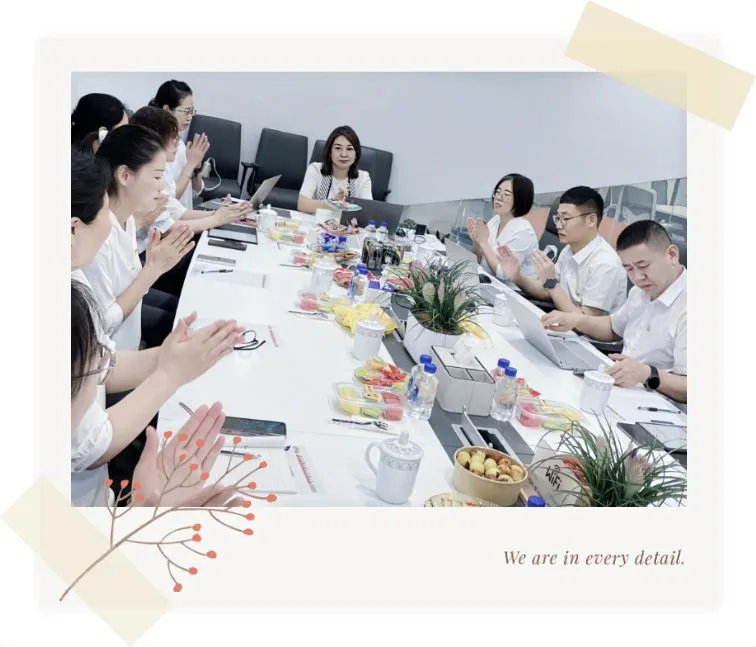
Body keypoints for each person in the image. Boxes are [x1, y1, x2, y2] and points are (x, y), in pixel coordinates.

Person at [71, 150, 244, 505]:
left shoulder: (73, 278)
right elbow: (86, 445)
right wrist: (169, 374)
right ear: (74, 229)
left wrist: (167, 357)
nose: (108, 224)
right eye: (103, 212)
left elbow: (100, 363)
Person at [541, 220, 686, 402]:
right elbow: (613, 327)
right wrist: (575, 320)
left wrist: (647, 373)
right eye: (629, 269)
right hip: (623, 389)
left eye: (643, 266)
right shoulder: (640, 291)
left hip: (659, 404)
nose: (637, 277)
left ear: (672, 255)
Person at [82, 124, 195, 350]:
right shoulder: (97, 239)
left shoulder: (129, 220)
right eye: (157, 176)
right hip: (111, 365)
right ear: (125, 175)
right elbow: (100, 326)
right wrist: (152, 271)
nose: (162, 186)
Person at [128, 106, 251, 297]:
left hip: (147, 250)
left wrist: (219, 214)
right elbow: (170, 226)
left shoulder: (161, 168)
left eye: (191, 112)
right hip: (142, 255)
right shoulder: (144, 175)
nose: (178, 142)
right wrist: (217, 218)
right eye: (185, 111)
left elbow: (178, 208)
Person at [497, 185, 626, 315]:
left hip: (578, 328)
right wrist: (517, 276)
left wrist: (551, 283)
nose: (558, 225)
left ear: (591, 220)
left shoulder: (605, 264)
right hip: (560, 321)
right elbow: (548, 292)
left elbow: (585, 321)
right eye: (558, 218)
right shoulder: (568, 250)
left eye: (565, 219)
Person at [466, 173, 538, 281]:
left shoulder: (524, 232)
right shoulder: (495, 220)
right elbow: (478, 261)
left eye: (507, 194)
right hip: (489, 282)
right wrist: (477, 242)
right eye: (498, 192)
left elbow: (505, 274)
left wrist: (483, 242)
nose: (499, 197)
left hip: (513, 289)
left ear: (520, 200)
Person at [150, 80, 208, 210]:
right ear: (166, 109)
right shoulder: (156, 146)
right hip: (170, 220)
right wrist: (190, 164)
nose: (190, 117)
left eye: (192, 112)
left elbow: (196, 191)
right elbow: (167, 201)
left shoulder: (180, 142)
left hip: (186, 217)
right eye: (186, 111)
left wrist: (196, 169)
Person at [298, 125, 373, 213]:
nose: (343, 154)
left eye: (349, 149)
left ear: (356, 154)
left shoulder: (363, 177)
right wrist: (333, 203)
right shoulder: (315, 169)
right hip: (316, 220)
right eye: (338, 148)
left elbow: (368, 211)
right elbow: (302, 204)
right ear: (330, 152)